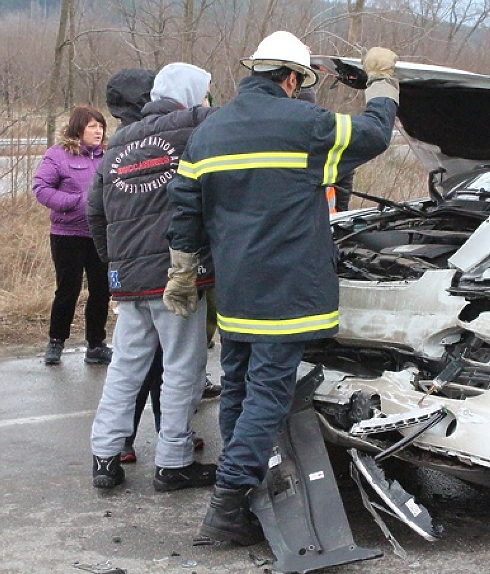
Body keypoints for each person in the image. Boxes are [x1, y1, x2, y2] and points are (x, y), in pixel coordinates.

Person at [164, 31, 399, 545]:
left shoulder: (208, 132)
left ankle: (242, 493)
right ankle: (226, 509)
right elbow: (374, 135)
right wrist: (382, 85)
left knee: (239, 389)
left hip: (237, 290)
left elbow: (184, 207)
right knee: (267, 397)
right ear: (292, 79)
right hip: (287, 291)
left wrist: (181, 270)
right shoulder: (305, 125)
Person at [87, 62, 218, 491]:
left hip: (129, 279)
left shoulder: (118, 143)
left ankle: (105, 457)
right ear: (190, 95)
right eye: (204, 93)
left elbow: (95, 212)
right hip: (177, 275)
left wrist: (116, 265)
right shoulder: (195, 125)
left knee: (126, 368)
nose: (206, 101)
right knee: (182, 367)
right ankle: (173, 461)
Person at [33, 105, 111, 366]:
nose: (98, 131)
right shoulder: (58, 155)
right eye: (92, 126)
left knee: (102, 290)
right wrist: (74, 202)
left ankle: (96, 345)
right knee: (68, 289)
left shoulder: (108, 157)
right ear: (78, 128)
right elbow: (41, 188)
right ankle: (56, 342)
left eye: (101, 126)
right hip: (67, 233)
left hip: (101, 233)